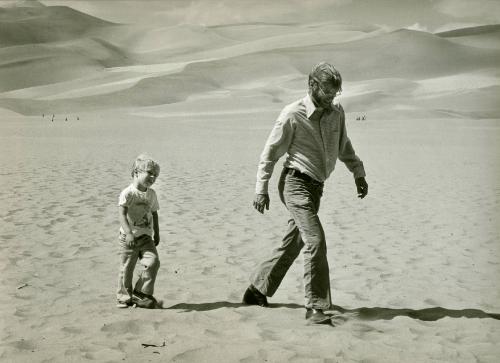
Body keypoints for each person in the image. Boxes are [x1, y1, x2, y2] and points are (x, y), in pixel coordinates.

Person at [242, 62, 368, 324]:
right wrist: (260, 190)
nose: (331, 99)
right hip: (294, 184)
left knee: (294, 242)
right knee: (315, 240)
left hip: (316, 188)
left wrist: (358, 172)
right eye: (327, 93)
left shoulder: (336, 113)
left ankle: (256, 290)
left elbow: (344, 145)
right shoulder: (292, 114)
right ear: (312, 85)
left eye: (335, 95)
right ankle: (315, 308)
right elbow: (269, 153)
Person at [116, 154, 162, 309]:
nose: (152, 177)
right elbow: (122, 215)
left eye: (155, 175)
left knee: (153, 263)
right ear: (136, 172)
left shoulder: (152, 194)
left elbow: (154, 213)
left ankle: (141, 292)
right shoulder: (127, 193)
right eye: (149, 173)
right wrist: (129, 233)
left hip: (146, 238)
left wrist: (157, 232)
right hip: (128, 238)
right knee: (126, 268)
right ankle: (123, 297)